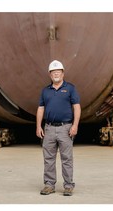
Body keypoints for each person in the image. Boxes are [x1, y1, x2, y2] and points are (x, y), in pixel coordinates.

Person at [36, 60, 81, 196]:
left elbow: (77, 107)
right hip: (49, 128)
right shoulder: (45, 91)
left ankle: (68, 186)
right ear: (50, 75)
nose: (56, 74)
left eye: (58, 72)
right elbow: (40, 108)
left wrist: (75, 125)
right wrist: (38, 126)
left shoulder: (70, 88)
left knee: (66, 158)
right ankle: (49, 185)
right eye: (53, 72)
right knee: (48, 158)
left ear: (62, 73)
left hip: (65, 128)